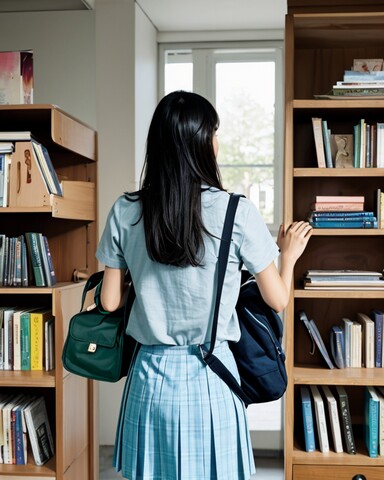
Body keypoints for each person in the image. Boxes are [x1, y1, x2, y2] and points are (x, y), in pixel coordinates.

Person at [96, 90, 312, 480]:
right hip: (213, 379)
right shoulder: (237, 212)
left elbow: (110, 301)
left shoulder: (125, 209)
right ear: (201, 143)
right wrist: (289, 254)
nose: (218, 141)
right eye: (214, 132)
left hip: (149, 379)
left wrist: (144, 279)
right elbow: (276, 300)